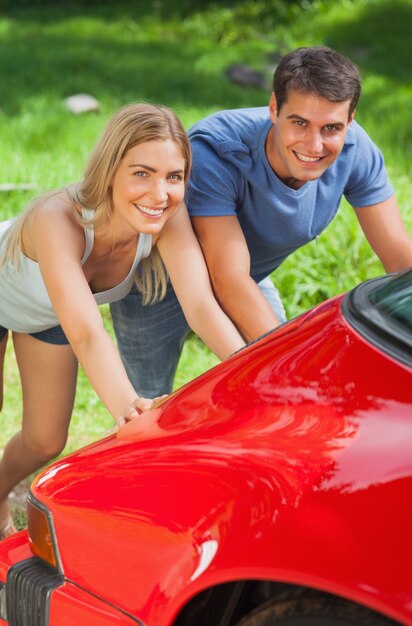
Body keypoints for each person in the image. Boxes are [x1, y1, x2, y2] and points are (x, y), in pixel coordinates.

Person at [110, 45, 412, 398]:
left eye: (331, 127)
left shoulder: (355, 150)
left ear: (351, 121)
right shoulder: (218, 150)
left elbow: (399, 256)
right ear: (274, 108)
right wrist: (294, 366)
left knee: (273, 395)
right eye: (299, 122)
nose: (314, 144)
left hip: (247, 275)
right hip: (155, 286)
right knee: (145, 407)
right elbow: (227, 278)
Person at [0, 102, 245, 539]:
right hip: (23, 298)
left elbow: (201, 306)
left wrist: (254, 372)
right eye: (142, 173)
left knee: (44, 441)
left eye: (174, 176)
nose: (159, 193)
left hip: (45, 315)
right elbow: (87, 333)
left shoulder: (165, 216)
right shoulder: (57, 219)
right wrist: (131, 412)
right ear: (110, 170)